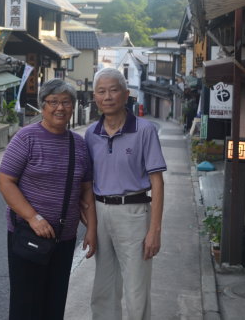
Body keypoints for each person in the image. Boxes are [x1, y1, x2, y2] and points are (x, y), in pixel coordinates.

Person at [0, 79, 97, 320]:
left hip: (64, 239)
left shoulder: (79, 144)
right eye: (53, 102)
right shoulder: (26, 138)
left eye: (65, 102)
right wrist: (33, 218)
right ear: (43, 106)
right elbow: (5, 182)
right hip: (28, 235)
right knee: (25, 306)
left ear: (73, 107)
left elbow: (86, 191)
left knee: (54, 304)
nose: (59, 108)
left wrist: (92, 230)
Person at [85, 68, 166, 320]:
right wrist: (90, 224)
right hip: (100, 211)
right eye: (101, 91)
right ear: (94, 97)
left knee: (136, 287)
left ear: (126, 94)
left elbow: (157, 182)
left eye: (113, 89)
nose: (107, 96)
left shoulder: (144, 130)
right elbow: (87, 183)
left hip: (134, 212)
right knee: (103, 287)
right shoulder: (90, 134)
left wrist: (154, 230)